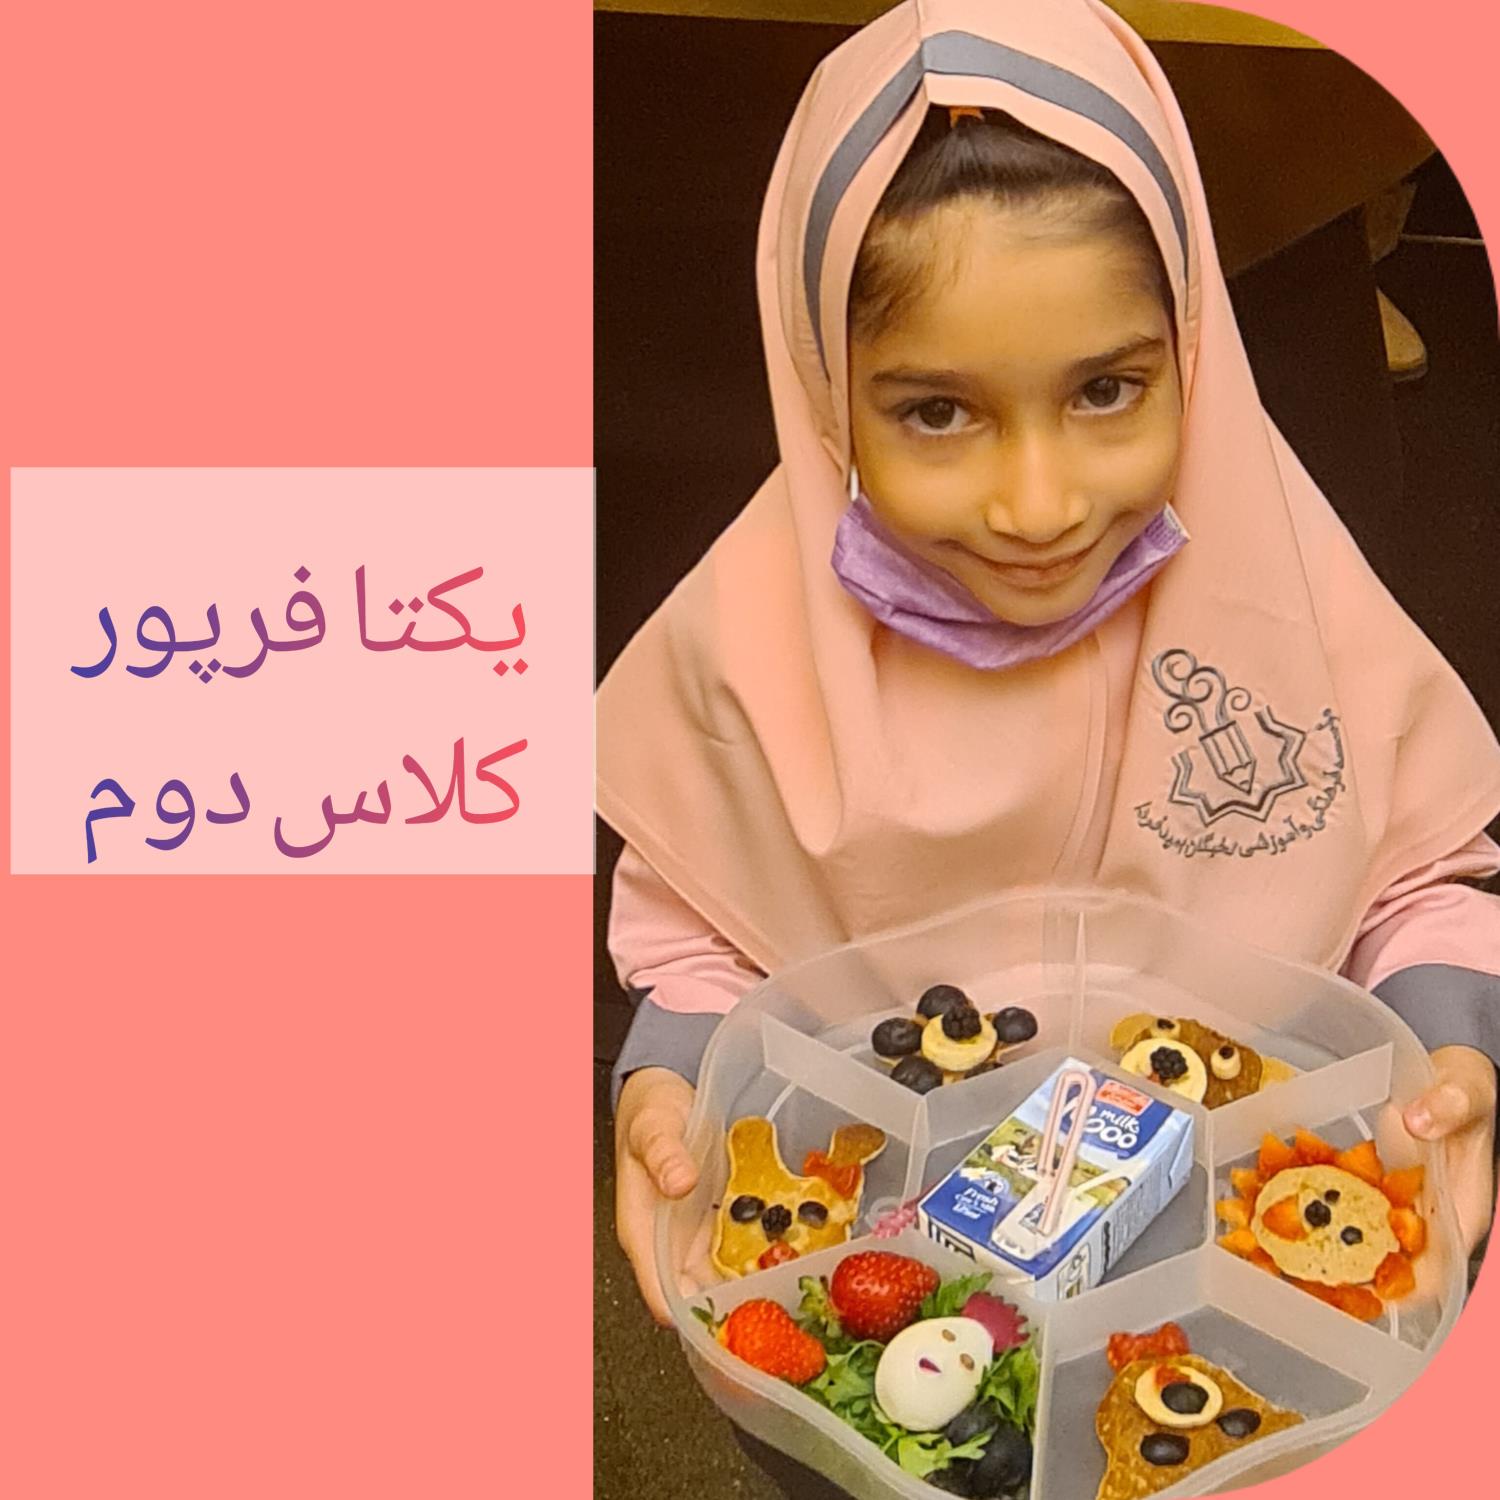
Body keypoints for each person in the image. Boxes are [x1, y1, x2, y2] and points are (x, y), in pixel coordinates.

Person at [599, 0, 1500, 1355]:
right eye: (936, 411)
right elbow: (699, 934)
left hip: (1236, 1283)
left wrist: (1451, 1049)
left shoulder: (1289, 596)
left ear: (1192, 352)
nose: (1040, 507)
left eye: (1106, 392)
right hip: (876, 1290)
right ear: (824, 393)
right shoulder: (746, 648)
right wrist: (668, 1081)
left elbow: (1412, 879)